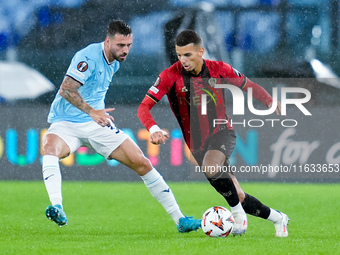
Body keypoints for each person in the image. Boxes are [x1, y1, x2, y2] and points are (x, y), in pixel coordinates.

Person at [41, 21, 201, 233]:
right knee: (49, 148)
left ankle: (180, 220)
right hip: (67, 122)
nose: (125, 50)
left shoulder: (115, 61)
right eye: (120, 45)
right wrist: (92, 111)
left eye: (129, 45)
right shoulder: (87, 58)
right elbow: (66, 90)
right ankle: (57, 206)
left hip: (97, 123)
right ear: (107, 41)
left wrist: (95, 114)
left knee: (142, 163)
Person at [137, 29, 289, 237]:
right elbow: (143, 107)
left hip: (222, 131)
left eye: (188, 55)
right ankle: (278, 218)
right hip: (197, 144)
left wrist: (269, 101)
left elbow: (248, 85)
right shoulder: (169, 76)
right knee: (239, 196)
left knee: (211, 167)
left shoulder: (219, 69)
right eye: (179, 55)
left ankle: (237, 217)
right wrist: (153, 128)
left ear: (201, 52)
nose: (183, 60)